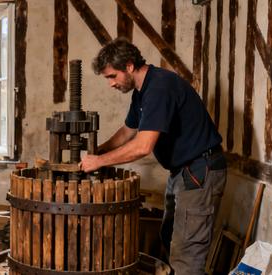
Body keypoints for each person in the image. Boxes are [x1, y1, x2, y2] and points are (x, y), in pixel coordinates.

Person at [79, 38, 226, 275]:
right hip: (182, 171)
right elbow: (128, 131)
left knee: (186, 253)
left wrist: (99, 162)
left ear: (129, 66)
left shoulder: (159, 87)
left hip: (200, 171)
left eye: (112, 76)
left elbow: (142, 146)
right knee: (169, 236)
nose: (110, 84)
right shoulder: (142, 91)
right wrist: (99, 151)